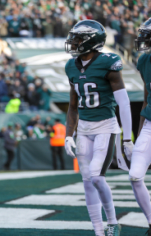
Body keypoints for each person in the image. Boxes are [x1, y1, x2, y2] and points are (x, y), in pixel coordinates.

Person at [64, 20, 133, 236]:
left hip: (105, 125)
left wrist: (127, 138)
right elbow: (73, 106)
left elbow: (123, 102)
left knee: (96, 176)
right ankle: (98, 230)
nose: (72, 42)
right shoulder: (70, 66)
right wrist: (68, 134)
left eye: (77, 38)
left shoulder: (109, 62)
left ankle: (112, 222)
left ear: (90, 41)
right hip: (84, 128)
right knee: (86, 179)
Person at [129, 18, 151, 236]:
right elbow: (145, 99)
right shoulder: (145, 60)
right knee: (135, 175)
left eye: (148, 35)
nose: (144, 40)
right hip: (150, 124)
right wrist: (139, 133)